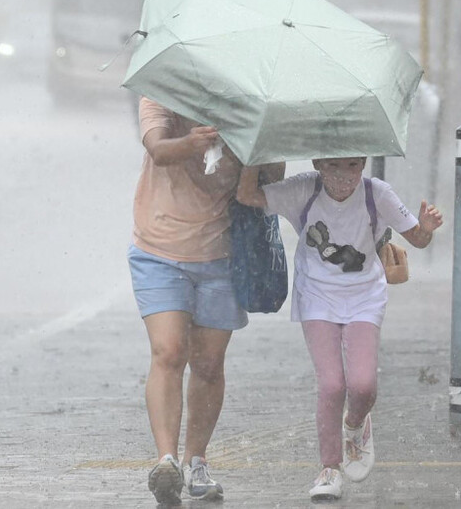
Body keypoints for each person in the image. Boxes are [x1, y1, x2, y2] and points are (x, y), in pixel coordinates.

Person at [236, 157, 442, 501]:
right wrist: (252, 155)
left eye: (354, 165)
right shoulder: (303, 189)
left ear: (363, 162)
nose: (346, 176)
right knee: (332, 385)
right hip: (316, 295)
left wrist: (425, 227)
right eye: (336, 166)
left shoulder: (378, 194)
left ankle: (355, 424)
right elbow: (246, 195)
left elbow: (418, 240)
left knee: (363, 385)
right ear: (319, 163)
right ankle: (329, 468)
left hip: (365, 295)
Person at [128, 97, 284, 505]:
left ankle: (196, 461)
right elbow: (158, 150)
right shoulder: (161, 93)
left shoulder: (250, 102)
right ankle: (166, 461)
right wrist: (193, 142)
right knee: (168, 350)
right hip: (158, 248)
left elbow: (273, 176)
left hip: (222, 252)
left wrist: (255, 143)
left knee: (209, 363)